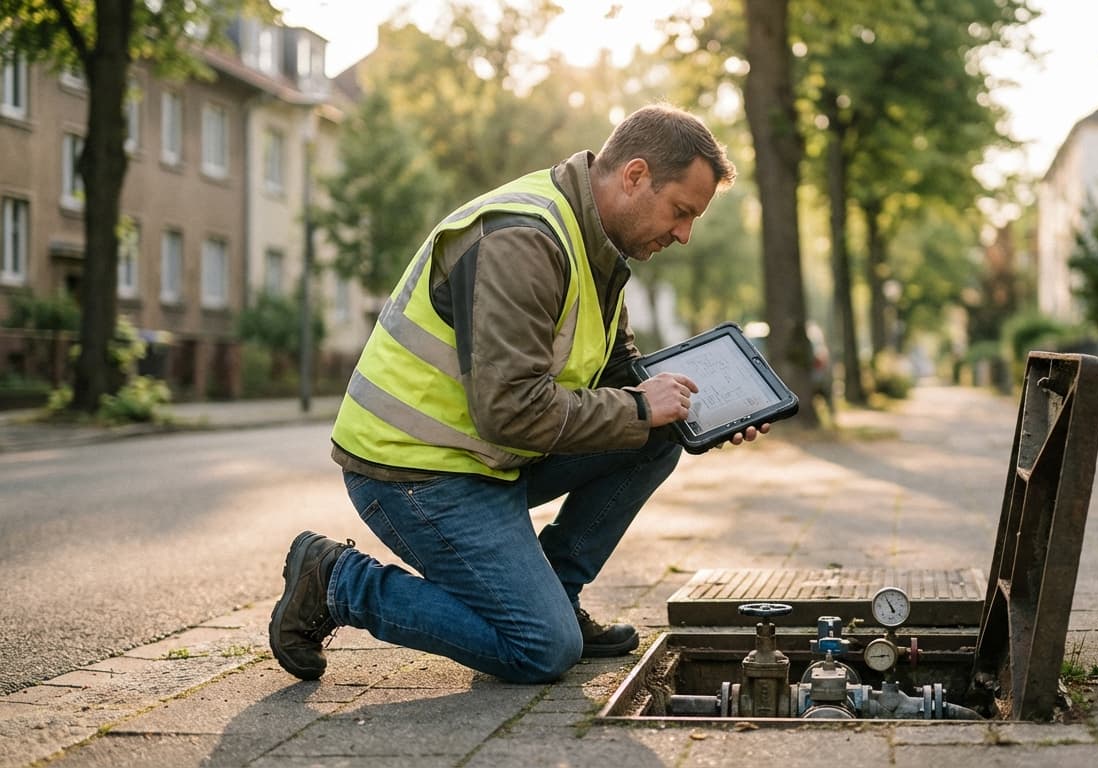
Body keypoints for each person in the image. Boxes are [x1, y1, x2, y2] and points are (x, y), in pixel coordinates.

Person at [268, 104, 762, 685]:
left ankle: (553, 591)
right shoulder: (523, 241)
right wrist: (638, 407)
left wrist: (704, 409)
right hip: (414, 471)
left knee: (659, 436)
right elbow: (511, 410)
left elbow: (619, 375)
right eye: (681, 212)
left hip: (486, 457)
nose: (684, 235)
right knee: (543, 649)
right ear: (634, 176)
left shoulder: (597, 245)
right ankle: (336, 582)